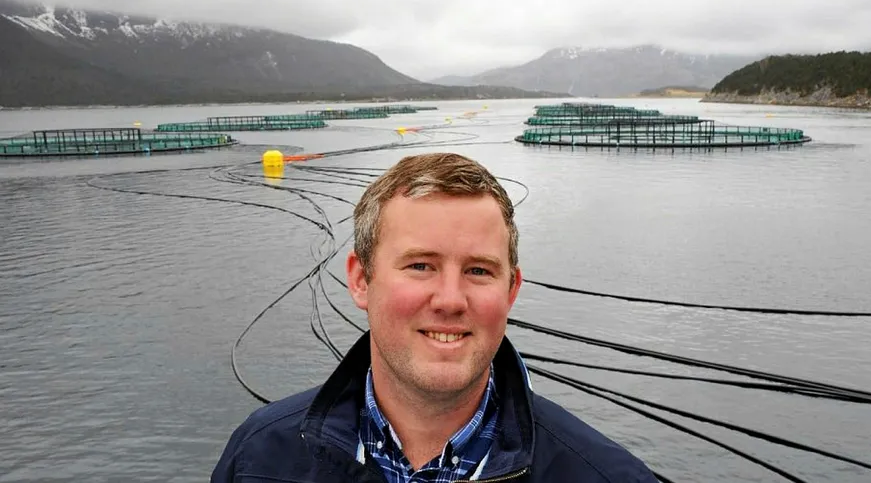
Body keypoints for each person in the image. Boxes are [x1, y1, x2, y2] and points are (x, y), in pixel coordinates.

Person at [211, 152, 660, 482]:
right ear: (361, 280)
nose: (450, 300)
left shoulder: (607, 475)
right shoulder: (258, 459)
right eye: (420, 265)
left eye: (479, 270)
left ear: (511, 289)